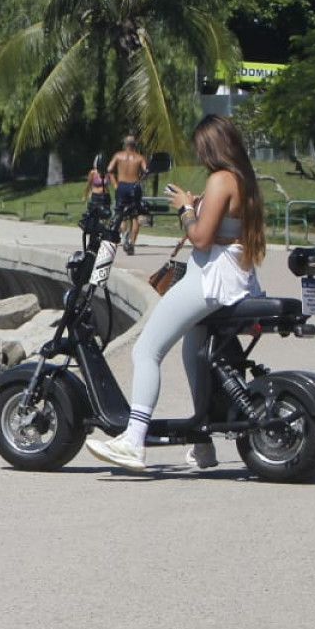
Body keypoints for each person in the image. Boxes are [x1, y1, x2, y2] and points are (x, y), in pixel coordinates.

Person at [86, 114, 268, 473]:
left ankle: (134, 440)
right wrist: (199, 204)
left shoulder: (221, 179)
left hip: (210, 280)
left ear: (211, 147)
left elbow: (200, 237)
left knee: (146, 350)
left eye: (201, 149)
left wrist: (186, 208)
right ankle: (201, 443)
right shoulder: (245, 180)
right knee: (193, 354)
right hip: (236, 277)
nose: (200, 156)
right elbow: (223, 228)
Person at [108, 135, 149, 253]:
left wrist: (115, 184)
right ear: (134, 145)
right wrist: (140, 178)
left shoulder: (118, 156)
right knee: (134, 217)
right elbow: (146, 172)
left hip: (121, 186)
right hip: (134, 186)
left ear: (125, 144)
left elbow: (109, 169)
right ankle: (132, 243)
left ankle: (124, 234)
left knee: (121, 215)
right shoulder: (139, 158)